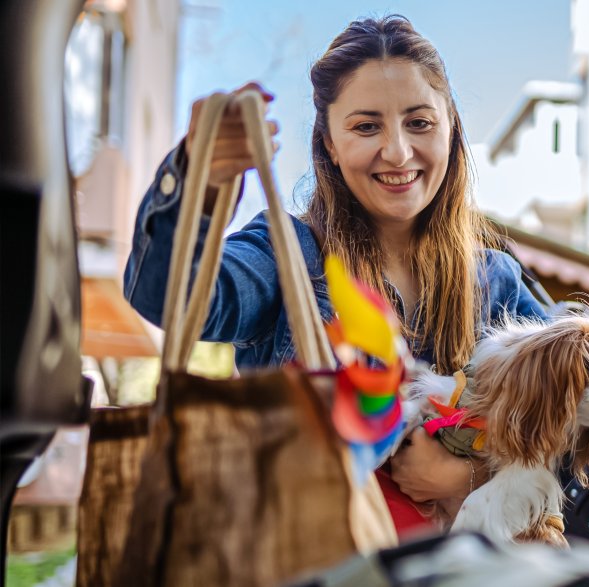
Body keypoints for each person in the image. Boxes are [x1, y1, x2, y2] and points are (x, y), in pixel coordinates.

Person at [123, 15, 546, 531]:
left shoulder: (496, 280)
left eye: (419, 122)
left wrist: (467, 475)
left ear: (451, 126)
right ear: (328, 143)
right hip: (309, 556)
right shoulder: (288, 257)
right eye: (366, 126)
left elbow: (586, 418)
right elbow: (166, 295)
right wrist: (198, 180)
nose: (397, 151)